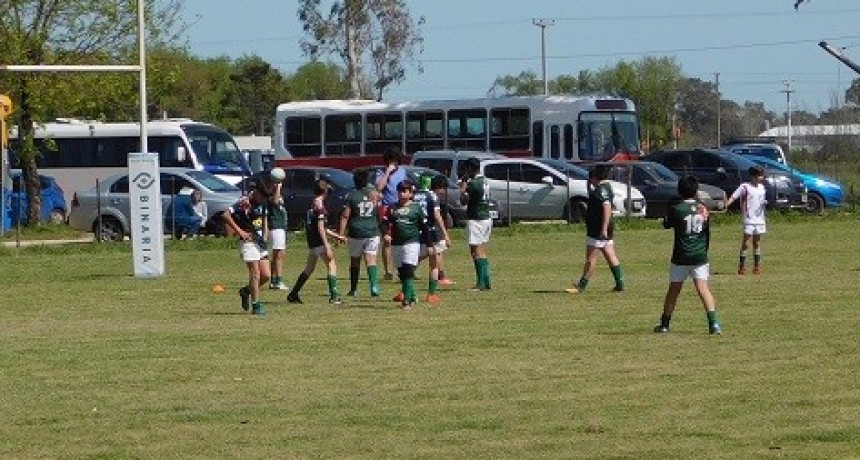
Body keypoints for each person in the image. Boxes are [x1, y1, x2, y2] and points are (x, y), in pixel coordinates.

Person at [653, 175, 722, 335]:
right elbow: (707, 232)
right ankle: (714, 324)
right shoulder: (703, 208)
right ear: (696, 190)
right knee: (703, 289)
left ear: (679, 190)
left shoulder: (677, 209)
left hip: (681, 255)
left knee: (674, 290)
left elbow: (667, 224)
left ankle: (664, 324)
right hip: (699, 255)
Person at [565, 165, 625, 293]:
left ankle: (581, 286)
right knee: (610, 254)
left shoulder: (601, 191)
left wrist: (603, 229)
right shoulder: (605, 187)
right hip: (605, 227)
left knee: (591, 258)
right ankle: (620, 283)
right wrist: (589, 187)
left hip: (598, 229)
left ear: (594, 176)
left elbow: (607, 208)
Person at [287, 179, 347, 305]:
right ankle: (334, 296)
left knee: (309, 268)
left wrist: (337, 236)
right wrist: (327, 246)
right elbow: (321, 228)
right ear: (325, 191)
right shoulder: (320, 207)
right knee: (332, 265)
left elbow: (320, 227)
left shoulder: (312, 204)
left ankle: (293, 294)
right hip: (319, 241)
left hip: (312, 240)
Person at [222, 189, 271, 315]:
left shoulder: (263, 202)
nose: (263, 199)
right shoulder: (243, 202)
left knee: (266, 276)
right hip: (248, 242)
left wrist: (265, 234)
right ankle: (256, 306)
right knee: (255, 274)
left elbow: (264, 218)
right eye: (262, 195)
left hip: (260, 242)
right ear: (256, 193)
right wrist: (240, 232)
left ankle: (246, 291)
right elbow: (225, 215)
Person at [338, 169, 382, 298]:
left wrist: (341, 233)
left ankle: (353, 289)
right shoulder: (374, 195)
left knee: (355, 261)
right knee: (371, 260)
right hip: (372, 231)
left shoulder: (351, 196)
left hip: (356, 232)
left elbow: (345, 216)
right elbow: (378, 212)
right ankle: (374, 287)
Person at [384, 180, 427, 309]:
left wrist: (429, 244)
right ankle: (412, 295)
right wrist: (386, 233)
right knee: (402, 273)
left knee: (408, 270)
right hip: (397, 243)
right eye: (400, 191)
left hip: (412, 241)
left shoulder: (416, 208)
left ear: (410, 193)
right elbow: (384, 222)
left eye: (405, 191)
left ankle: (406, 302)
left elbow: (424, 226)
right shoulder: (392, 207)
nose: (402, 194)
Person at [414, 174, 452, 303]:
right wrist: (445, 233)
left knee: (416, 257)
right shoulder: (432, 196)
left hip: (416, 231)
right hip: (431, 232)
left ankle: (405, 290)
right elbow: (436, 215)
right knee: (433, 263)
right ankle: (432, 293)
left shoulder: (414, 195)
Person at [724, 165, 767, 275]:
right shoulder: (745, 187)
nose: (762, 177)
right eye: (760, 175)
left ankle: (756, 267)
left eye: (762, 175)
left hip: (759, 219)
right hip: (749, 219)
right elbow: (734, 197)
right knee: (746, 243)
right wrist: (726, 205)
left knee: (757, 243)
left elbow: (761, 200)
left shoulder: (762, 188)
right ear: (754, 176)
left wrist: (764, 204)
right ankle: (742, 267)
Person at [459, 157, 492, 291]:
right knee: (482, 249)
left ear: (470, 169)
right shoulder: (484, 181)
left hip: (476, 218)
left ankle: (480, 283)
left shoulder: (473, 183)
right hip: (486, 217)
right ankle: (486, 281)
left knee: (475, 250)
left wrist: (463, 185)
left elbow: (463, 199)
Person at [375, 146, 408, 281]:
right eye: (390, 161)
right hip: (386, 209)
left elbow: (407, 187)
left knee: (403, 239)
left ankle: (405, 268)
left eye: (395, 161)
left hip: (401, 208)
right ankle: (388, 271)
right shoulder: (380, 172)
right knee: (387, 240)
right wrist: (387, 172)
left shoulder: (403, 171)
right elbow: (379, 187)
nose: (393, 164)